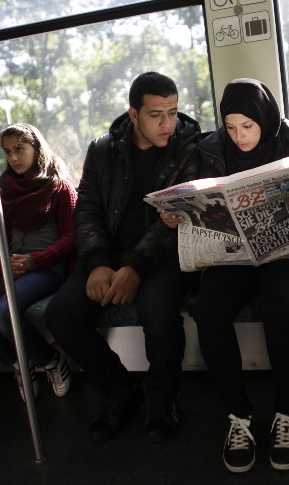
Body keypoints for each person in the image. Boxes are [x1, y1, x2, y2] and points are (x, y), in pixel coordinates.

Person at [170, 79, 289, 473]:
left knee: (280, 305)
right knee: (208, 308)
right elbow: (200, 199)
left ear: (264, 117)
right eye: (231, 128)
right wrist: (178, 213)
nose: (239, 137)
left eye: (247, 126)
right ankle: (238, 416)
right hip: (233, 253)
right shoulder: (211, 148)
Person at [44, 72, 201, 443]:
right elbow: (87, 212)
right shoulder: (103, 150)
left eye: (173, 112)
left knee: (156, 308)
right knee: (61, 314)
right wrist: (98, 262)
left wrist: (135, 266)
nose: (168, 124)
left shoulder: (189, 148)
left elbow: (177, 219)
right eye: (156, 115)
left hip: (166, 254)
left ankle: (163, 397)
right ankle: (120, 389)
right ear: (133, 115)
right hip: (110, 252)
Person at [0, 123, 76, 403]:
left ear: (37, 148)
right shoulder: (5, 191)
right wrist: (3, 264)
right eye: (8, 152)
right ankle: (19, 364)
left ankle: (50, 361)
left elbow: (72, 237)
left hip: (47, 267)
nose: (13, 157)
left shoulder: (59, 187)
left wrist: (34, 261)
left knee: (4, 314)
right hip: (10, 266)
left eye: (20, 149)